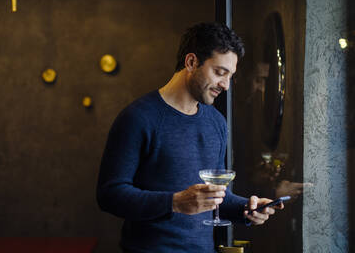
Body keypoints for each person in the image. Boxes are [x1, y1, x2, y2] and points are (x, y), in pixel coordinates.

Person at [97, 22, 283, 253]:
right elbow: (109, 194)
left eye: (230, 76)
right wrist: (174, 202)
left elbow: (215, 198)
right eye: (219, 72)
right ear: (191, 62)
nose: (225, 85)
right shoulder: (138, 118)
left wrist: (247, 209)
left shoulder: (216, 122)